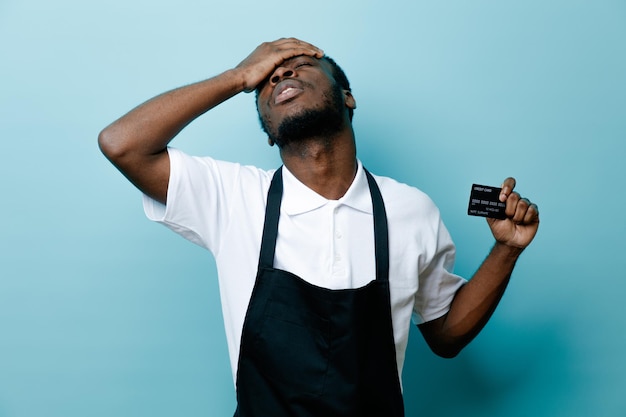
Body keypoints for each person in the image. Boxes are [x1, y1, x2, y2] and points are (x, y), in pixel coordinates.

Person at [98, 38, 540, 417]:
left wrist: (506, 250)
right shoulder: (233, 198)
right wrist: (237, 76)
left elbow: (445, 334)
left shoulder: (410, 210)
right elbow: (122, 144)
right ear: (268, 133)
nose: (280, 74)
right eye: (266, 78)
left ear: (347, 96)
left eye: (301, 65)